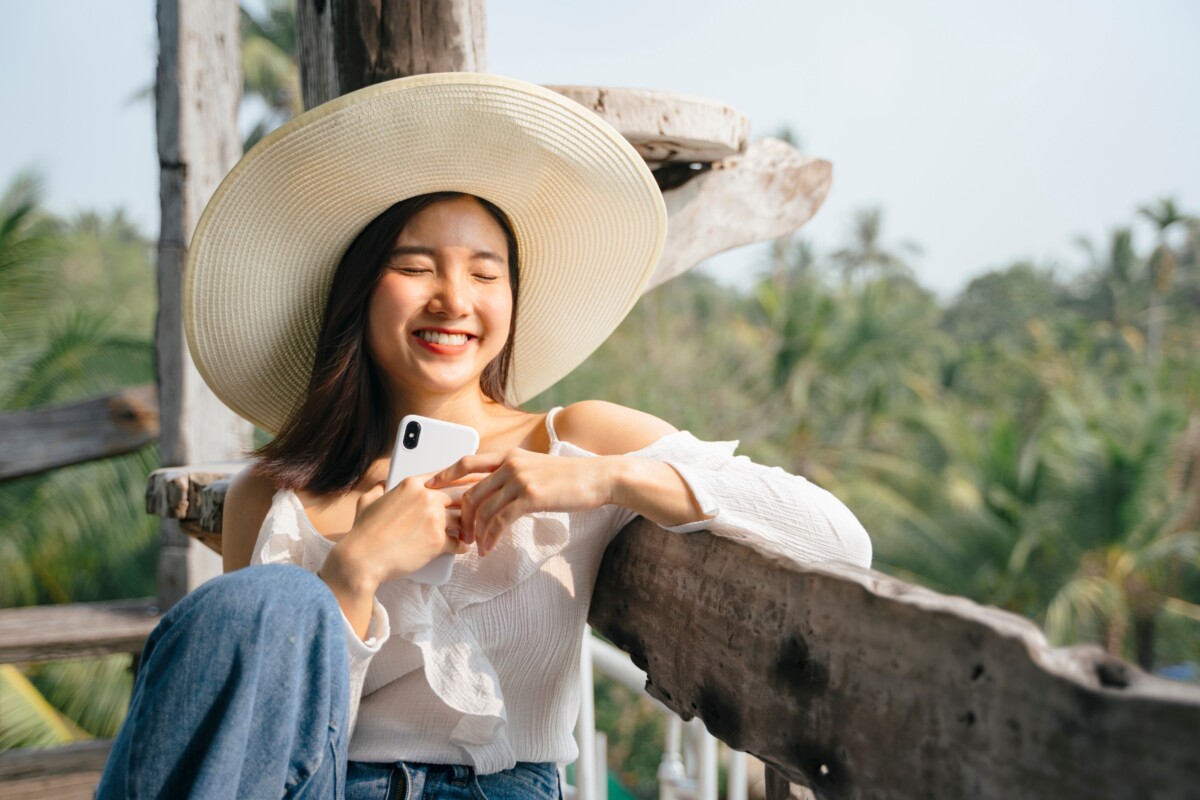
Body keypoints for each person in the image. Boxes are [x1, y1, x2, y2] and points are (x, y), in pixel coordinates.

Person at [97, 73, 871, 800]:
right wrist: (356, 570)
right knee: (260, 606)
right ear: (361, 291)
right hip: (329, 784)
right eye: (415, 266)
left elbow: (839, 542)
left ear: (511, 298)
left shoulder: (573, 437)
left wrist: (603, 480)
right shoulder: (273, 491)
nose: (453, 299)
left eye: (485, 272)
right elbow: (253, 739)